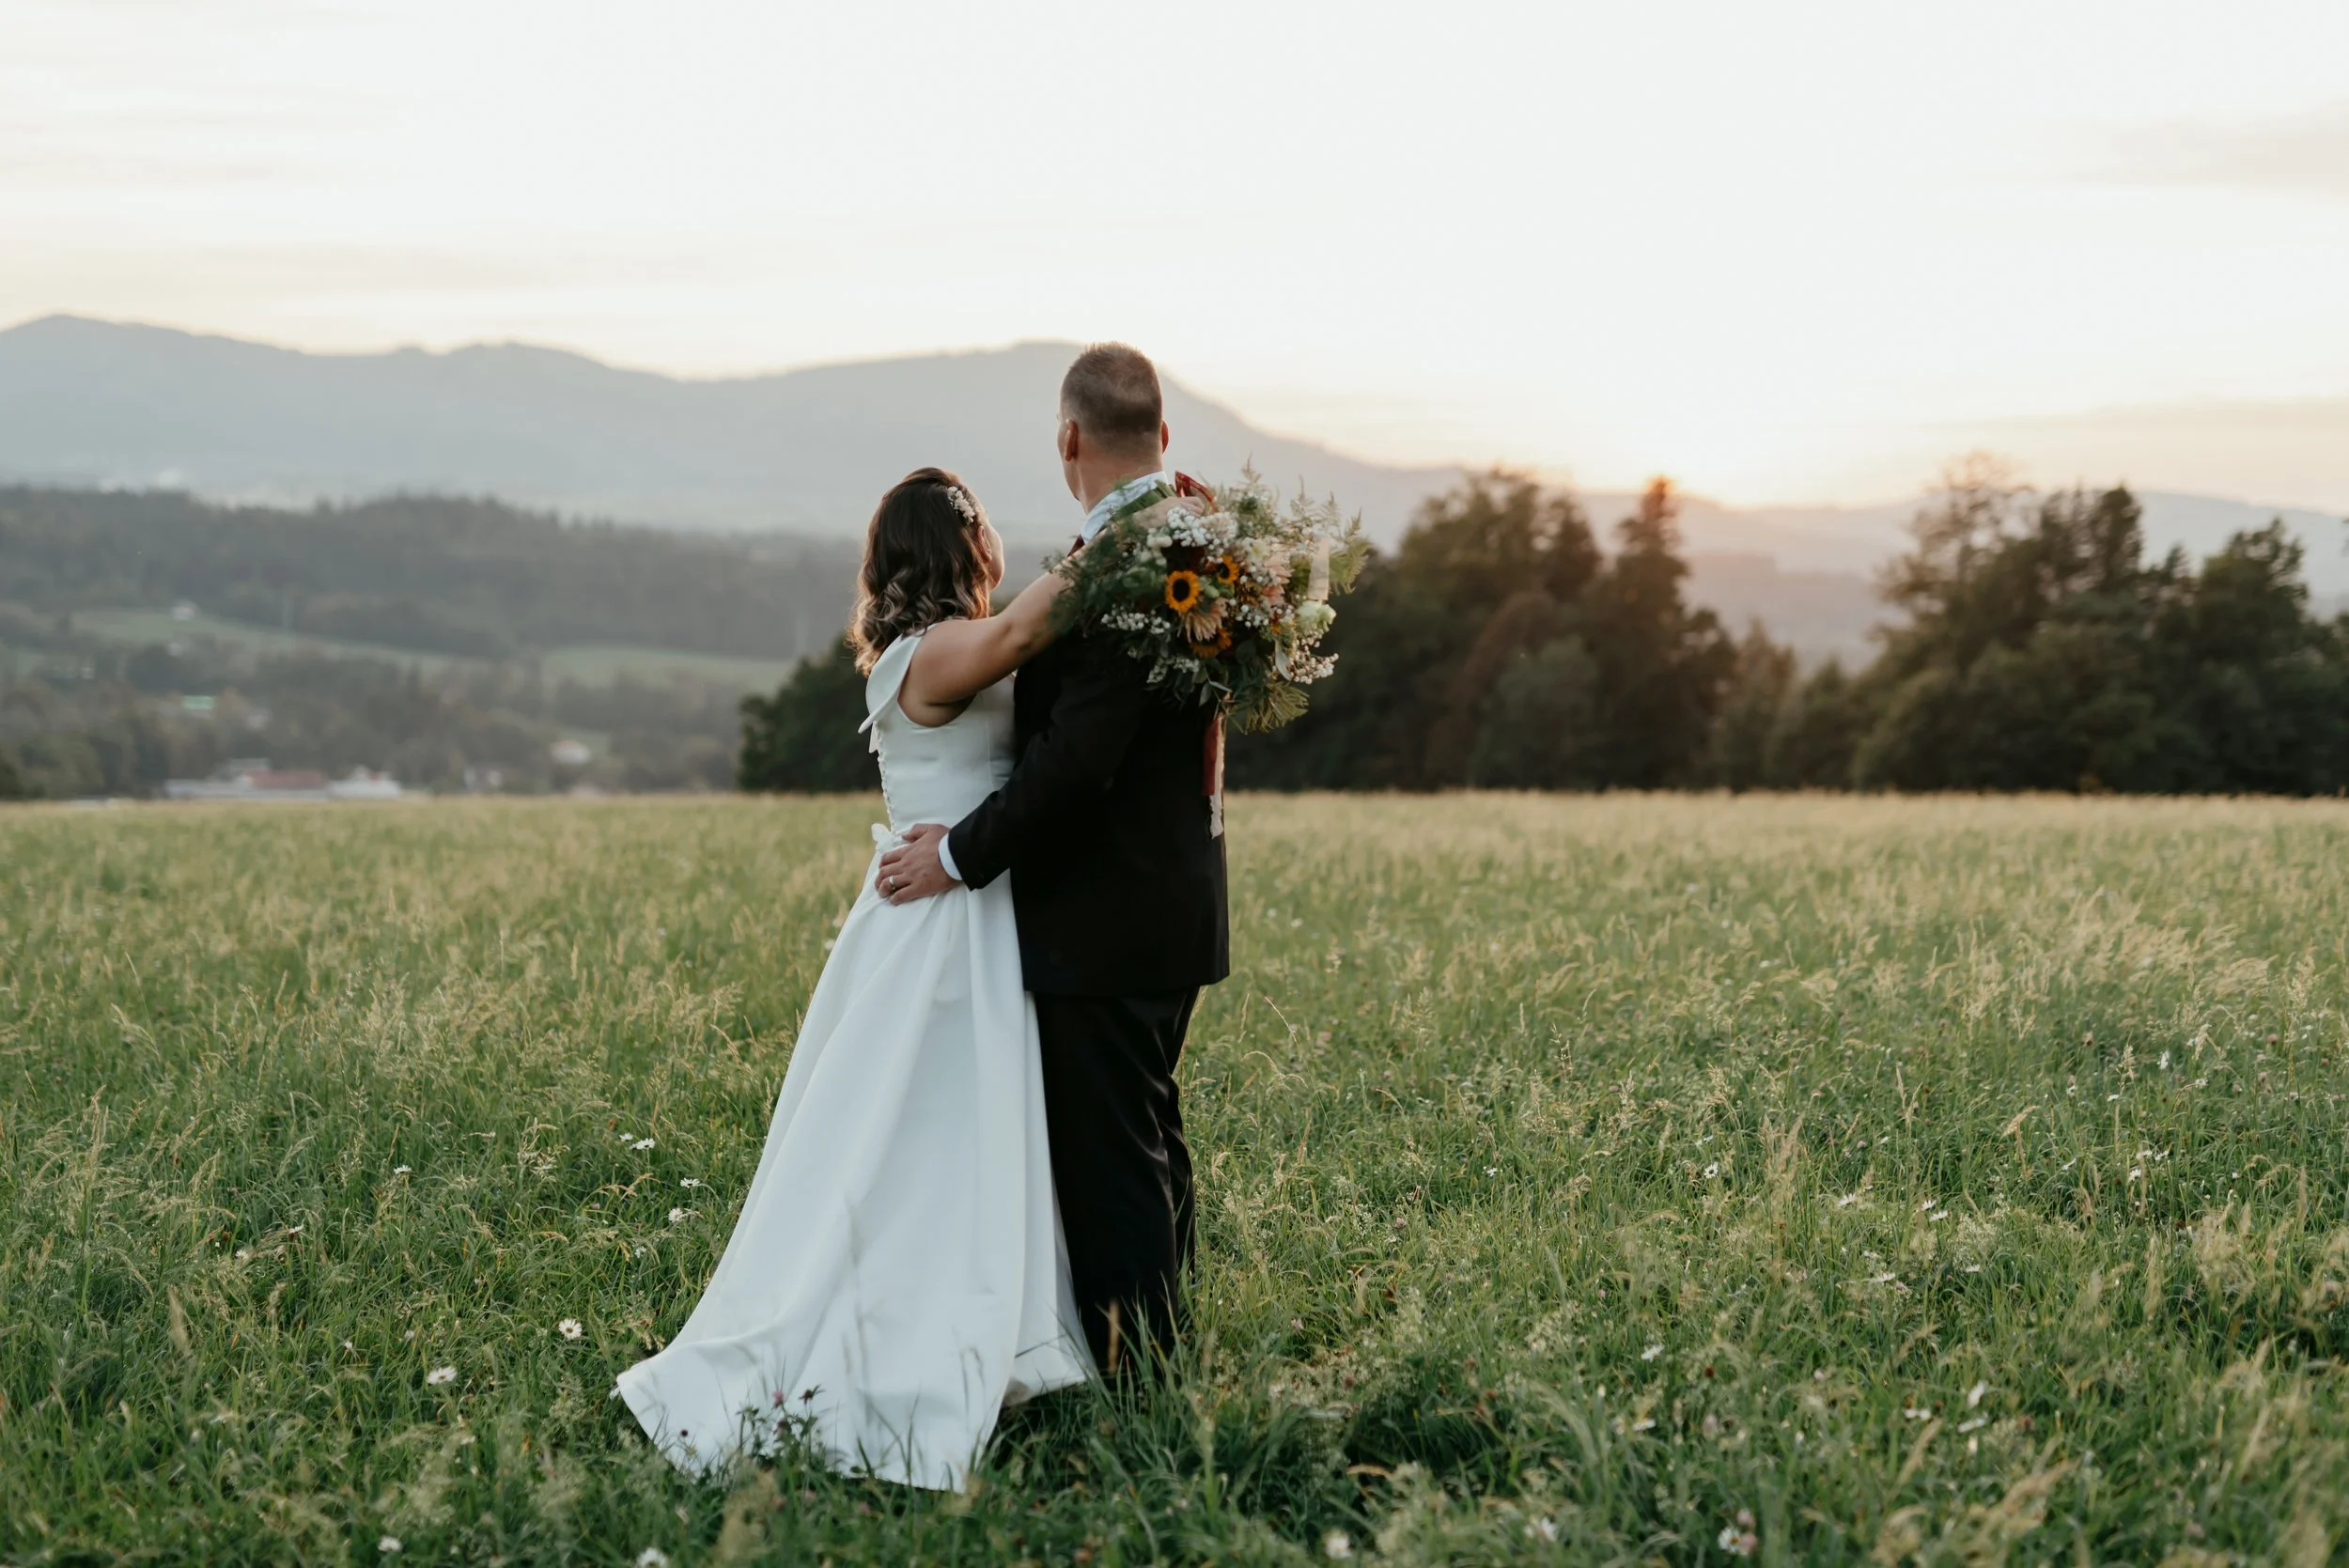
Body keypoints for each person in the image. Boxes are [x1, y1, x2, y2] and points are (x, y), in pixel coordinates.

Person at [615, 467, 1090, 1489]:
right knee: (920, 1141)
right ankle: (908, 1346)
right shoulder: (931, 657)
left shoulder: (927, 652)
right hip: (942, 926)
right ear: (966, 547)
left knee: (944, 1138)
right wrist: (1118, 541)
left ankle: (985, 1327)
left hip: (960, 903)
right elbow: (1016, 639)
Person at [877, 343, 1231, 1376]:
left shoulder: (1123, 565)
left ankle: (1142, 1375)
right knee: (1152, 1132)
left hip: (1103, 912)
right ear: (1161, 437)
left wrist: (961, 854)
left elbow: (1076, 763)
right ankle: (1167, 1345)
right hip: (1177, 898)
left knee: (1116, 1155)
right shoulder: (1197, 552)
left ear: (1069, 439)